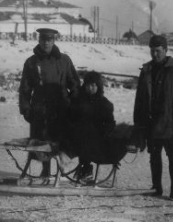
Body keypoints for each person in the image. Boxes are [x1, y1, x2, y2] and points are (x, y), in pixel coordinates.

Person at [134, 34, 173, 201]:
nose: (155, 54)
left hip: (170, 122)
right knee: (154, 156)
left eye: (158, 51)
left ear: (165, 50)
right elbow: (140, 99)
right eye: (152, 51)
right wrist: (139, 123)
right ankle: (157, 188)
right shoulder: (147, 70)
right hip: (151, 122)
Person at [18, 28, 80, 177]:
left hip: (61, 109)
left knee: (60, 140)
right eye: (43, 39)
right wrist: (25, 108)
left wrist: (74, 104)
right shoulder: (31, 62)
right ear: (39, 40)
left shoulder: (64, 60)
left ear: (54, 41)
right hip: (40, 109)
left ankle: (61, 171)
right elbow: (25, 89)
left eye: (49, 40)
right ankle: (45, 171)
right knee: (41, 142)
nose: (46, 43)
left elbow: (75, 84)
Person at [67, 71, 116, 180]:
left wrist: (104, 132)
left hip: (98, 140)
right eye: (88, 85)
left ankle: (86, 169)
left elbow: (110, 123)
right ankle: (84, 169)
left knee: (88, 136)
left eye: (94, 85)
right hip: (78, 137)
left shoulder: (104, 104)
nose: (91, 88)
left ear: (98, 86)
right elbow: (71, 118)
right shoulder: (78, 102)